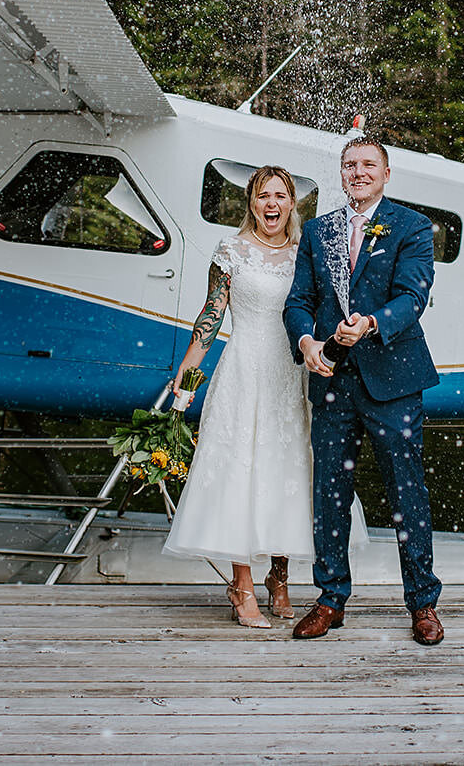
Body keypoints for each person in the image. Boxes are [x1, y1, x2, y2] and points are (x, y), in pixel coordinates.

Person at [284, 136, 444, 645]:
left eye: (368, 165)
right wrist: (307, 340)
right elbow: (299, 300)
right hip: (331, 380)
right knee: (329, 491)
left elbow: (413, 295)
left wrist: (373, 322)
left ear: (386, 173)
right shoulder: (318, 229)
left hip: (393, 381)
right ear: (341, 173)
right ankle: (331, 598)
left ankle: (422, 603)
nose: (359, 172)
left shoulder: (413, 226)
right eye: (350, 165)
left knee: (406, 491)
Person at [161, 166, 314, 628]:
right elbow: (211, 314)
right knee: (239, 474)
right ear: (251, 202)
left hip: (291, 375)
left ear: (292, 204)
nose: (272, 204)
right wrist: (187, 373)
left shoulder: (304, 254)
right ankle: (242, 585)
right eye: (263, 196)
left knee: (287, 469)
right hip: (243, 371)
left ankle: (280, 576)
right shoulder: (231, 251)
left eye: (280, 196)